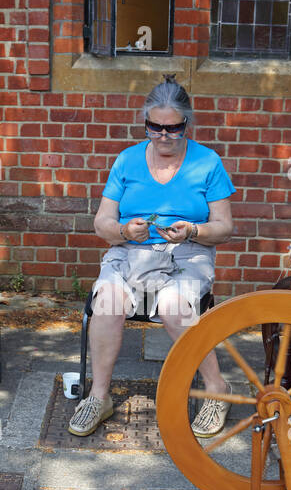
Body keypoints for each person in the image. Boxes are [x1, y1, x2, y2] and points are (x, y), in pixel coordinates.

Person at [69, 76, 235, 438]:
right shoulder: (127, 160)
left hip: (187, 255)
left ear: (186, 125)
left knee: (176, 307)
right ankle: (99, 396)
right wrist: (125, 232)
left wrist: (194, 231)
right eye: (154, 127)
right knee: (108, 302)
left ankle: (217, 390)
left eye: (172, 129)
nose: (162, 136)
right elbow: (102, 223)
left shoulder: (207, 162)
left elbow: (224, 227)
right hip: (130, 252)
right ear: (146, 122)